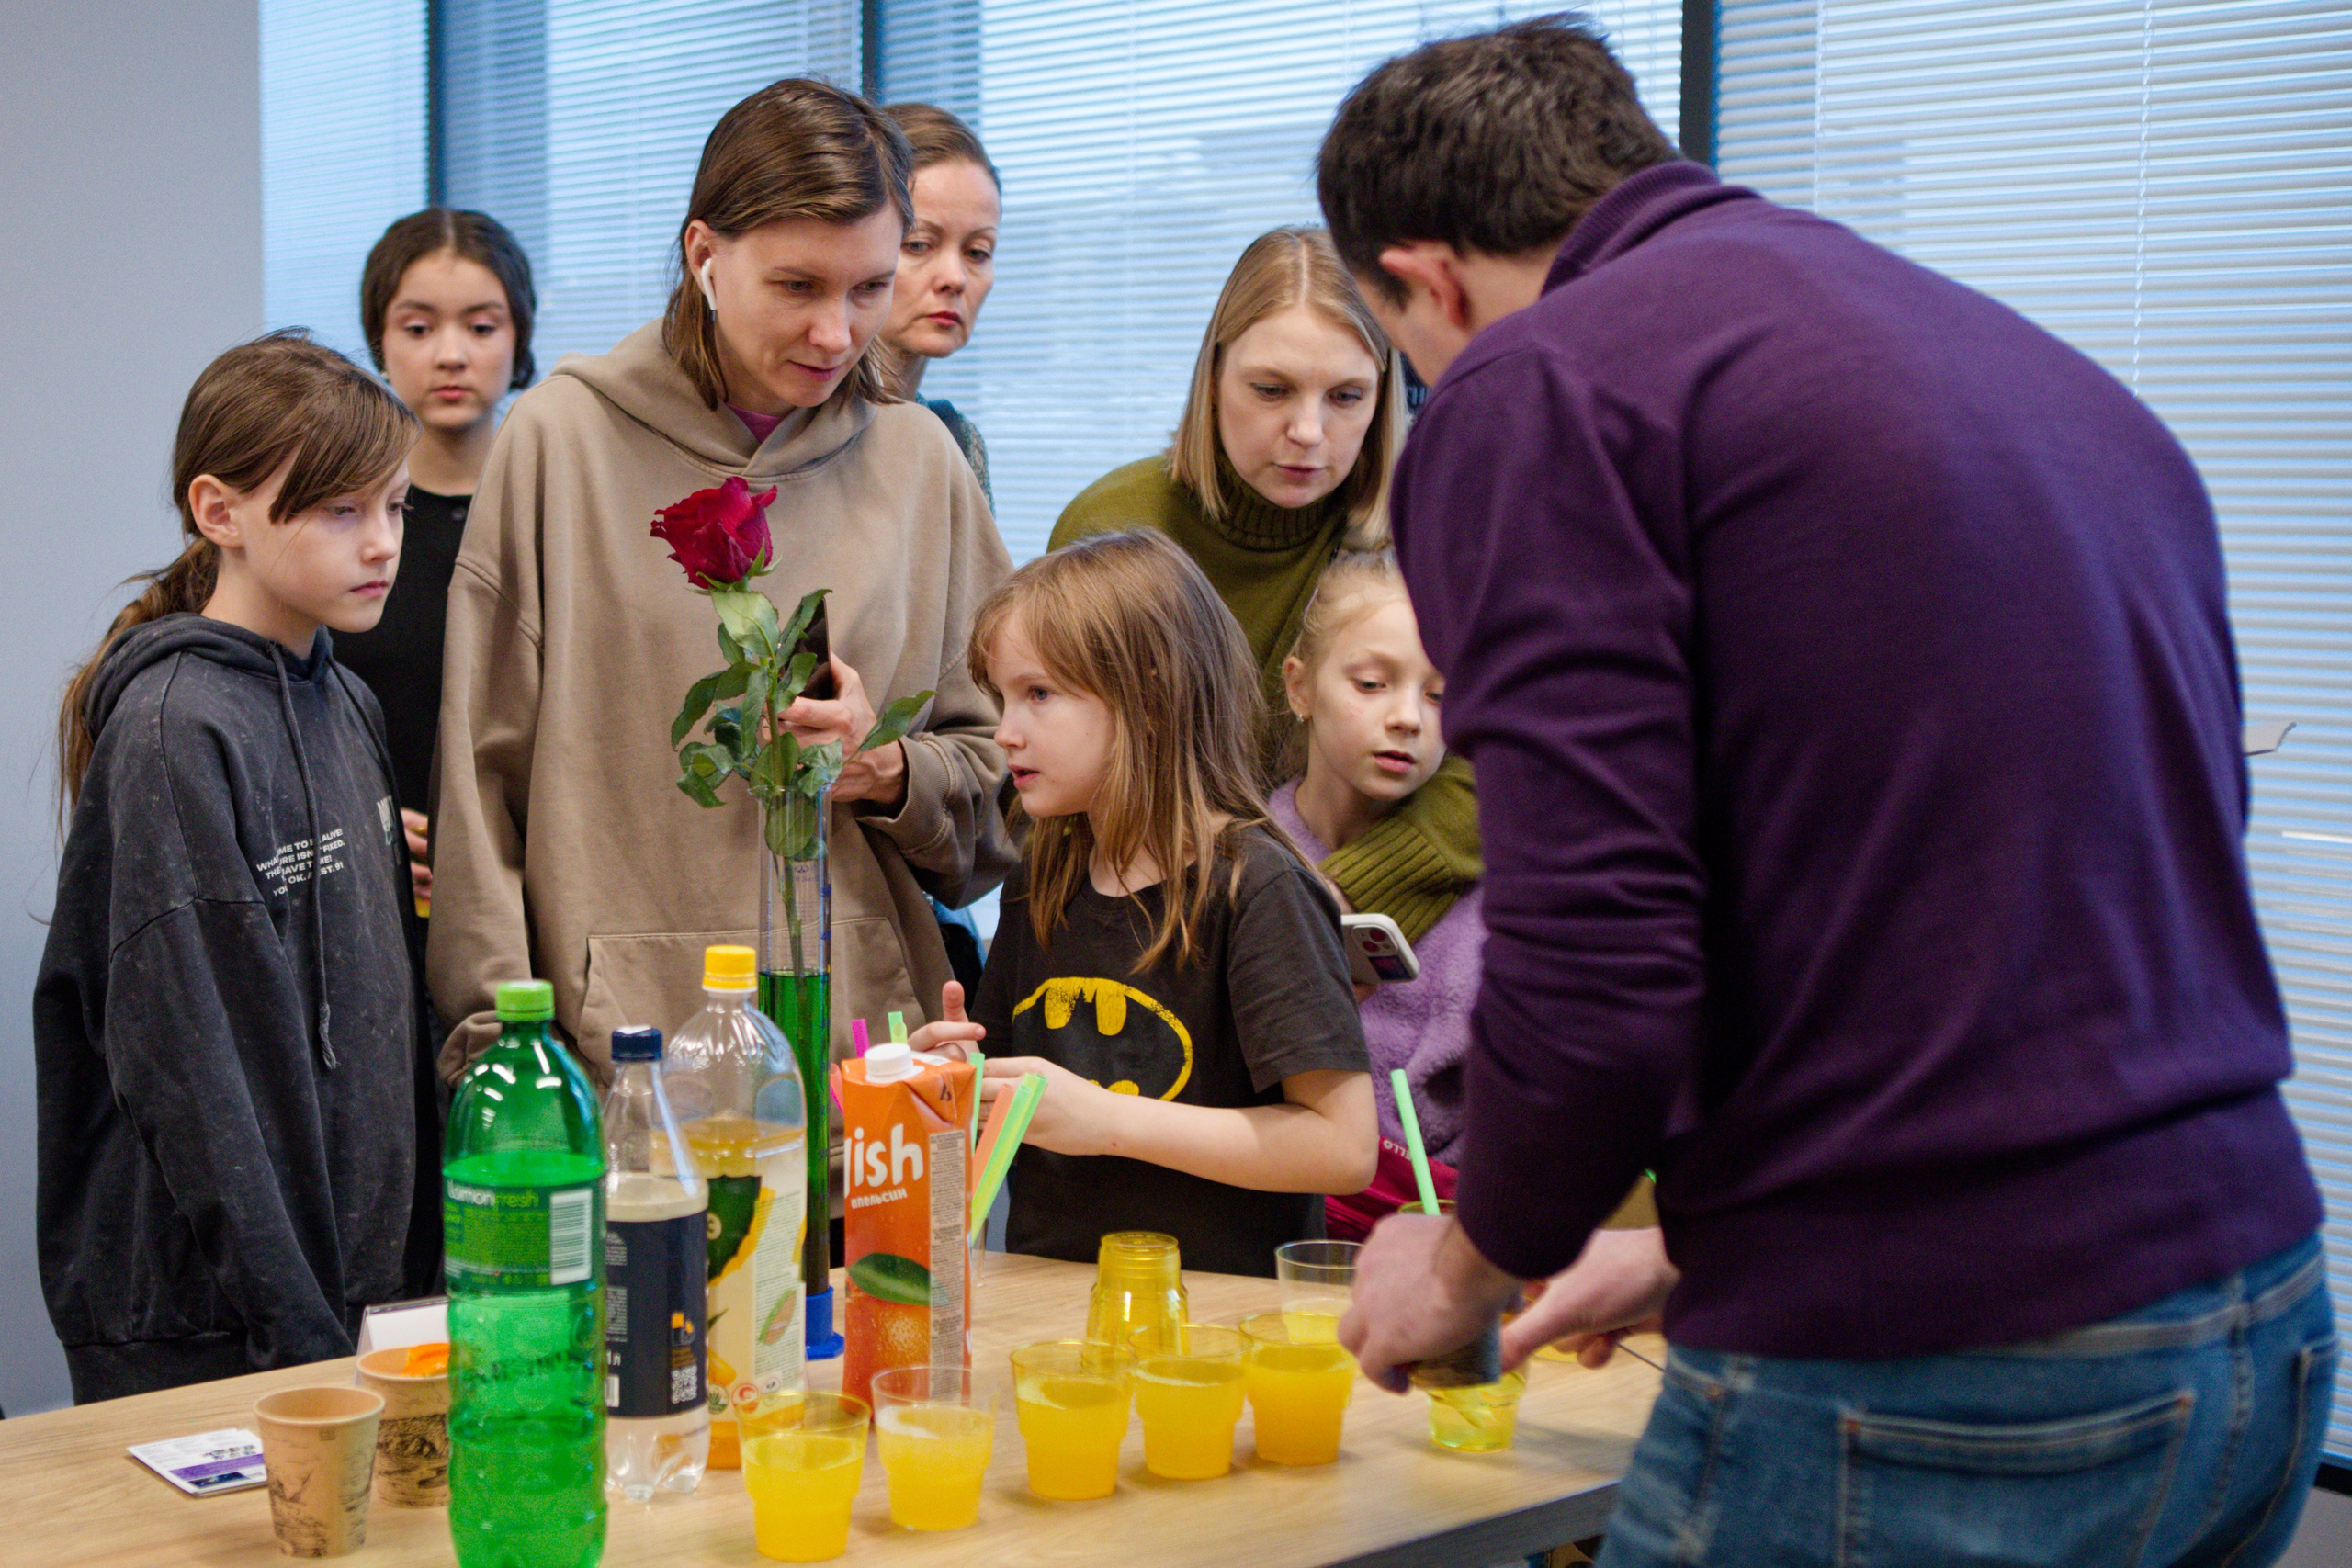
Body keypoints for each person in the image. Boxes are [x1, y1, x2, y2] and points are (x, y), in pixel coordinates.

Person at [1318, 17, 2332, 1567]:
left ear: (1428, 282)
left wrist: (1469, 1256)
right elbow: (2001, 902)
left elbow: (1597, 950)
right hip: (2252, 1319)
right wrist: (1680, 1246)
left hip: (1936, 1371)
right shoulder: (2030, 370)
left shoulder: (1548, 383)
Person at [428, 79, 1015, 1083]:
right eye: (798, 287)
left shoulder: (923, 464)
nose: (838, 333)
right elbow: (481, 788)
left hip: (865, 1072)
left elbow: (1009, 788)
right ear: (705, 254)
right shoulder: (559, 443)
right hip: (616, 1069)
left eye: (869, 288)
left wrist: (885, 770)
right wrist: (496, 1058)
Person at [36, 333, 427, 1401]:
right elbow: (192, 1068)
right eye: (339, 511)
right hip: (223, 1330)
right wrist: (300, 1343)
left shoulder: (344, 700)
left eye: (392, 506)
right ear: (221, 513)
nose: (381, 542)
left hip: (350, 1306)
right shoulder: (174, 731)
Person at [908, 530, 1376, 1277]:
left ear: (1150, 698)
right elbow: (1018, 1093)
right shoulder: (1043, 875)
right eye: (1002, 697)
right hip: (1052, 1304)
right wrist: (964, 1077)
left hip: (1220, 1325)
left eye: (1039, 694)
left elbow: (1342, 1146)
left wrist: (1103, 1120)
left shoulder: (1259, 889)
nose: (1005, 730)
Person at [1051, 227, 1479, 950]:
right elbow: (1045, 785)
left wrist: (1338, 899)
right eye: (1271, 390)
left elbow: (1506, 758)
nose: (1309, 431)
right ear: (1213, 378)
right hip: (1143, 935)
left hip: (1359, 946)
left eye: (1347, 396)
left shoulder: (1432, 533)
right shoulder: (1112, 526)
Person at [1262, 549, 1476, 1240]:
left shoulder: (1495, 892)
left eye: (1439, 694)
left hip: (1441, 1240)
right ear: (1299, 687)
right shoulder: (1240, 861)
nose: (1408, 717)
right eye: (1374, 683)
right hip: (1267, 1231)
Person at [340, 208, 537, 916]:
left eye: (481, 328)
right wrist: (368, 822)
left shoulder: (550, 511)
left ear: (520, 341)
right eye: (418, 328)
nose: (450, 355)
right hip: (372, 891)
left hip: (533, 885)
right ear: (379, 341)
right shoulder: (342, 528)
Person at [880, 103, 999, 502]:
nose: (955, 278)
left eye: (978, 252)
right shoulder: (788, 433)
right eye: (918, 244)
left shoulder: (958, 441)